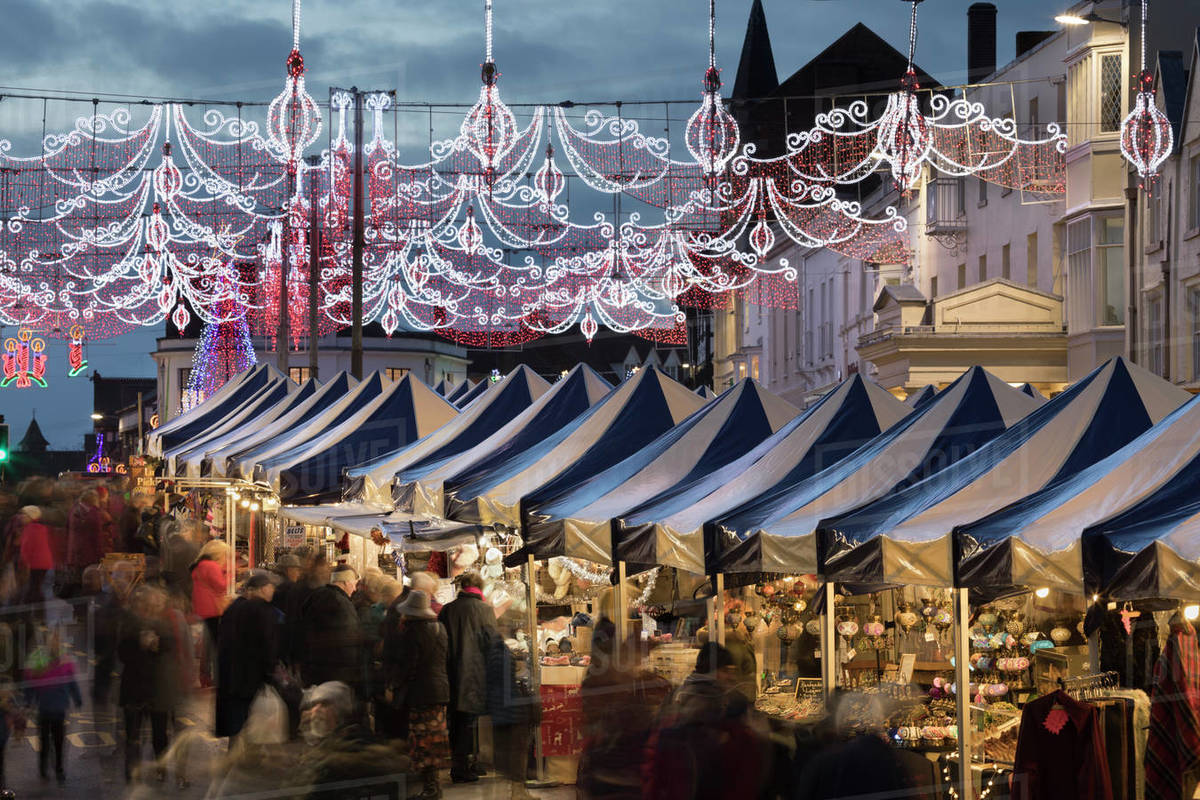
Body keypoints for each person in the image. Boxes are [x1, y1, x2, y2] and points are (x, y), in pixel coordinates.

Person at [642, 643, 767, 800]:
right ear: (713, 670)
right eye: (726, 670)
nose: (731, 676)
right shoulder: (728, 702)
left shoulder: (676, 694)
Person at [388, 590, 450, 799]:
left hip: (421, 692)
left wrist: (395, 686)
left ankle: (430, 788)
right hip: (440, 691)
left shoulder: (413, 632)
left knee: (422, 740)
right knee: (435, 739)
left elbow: (409, 665)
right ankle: (434, 786)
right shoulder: (440, 628)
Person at [437, 571, 496, 783]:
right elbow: (492, 644)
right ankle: (462, 767)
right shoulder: (486, 610)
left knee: (458, 720)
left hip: (452, 672)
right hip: (477, 672)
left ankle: (462, 763)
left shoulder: (448, 610)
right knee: (469, 720)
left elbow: (440, 641)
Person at [118, 585, 178, 783]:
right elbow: (122, 653)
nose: (151, 606)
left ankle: (160, 769)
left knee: (159, 733)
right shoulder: (128, 623)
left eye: (154, 603)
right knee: (133, 734)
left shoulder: (163, 624)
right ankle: (132, 771)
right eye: (147, 603)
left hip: (156, 687)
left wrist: (156, 645)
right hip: (134, 687)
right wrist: (139, 645)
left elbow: (170, 646)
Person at [216, 571, 281, 741]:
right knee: (253, 717)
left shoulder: (234, 608)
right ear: (259, 589)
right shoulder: (262, 610)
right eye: (269, 587)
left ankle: (236, 752)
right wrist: (270, 670)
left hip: (234, 673)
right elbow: (268, 643)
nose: (272, 590)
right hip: (253, 674)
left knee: (238, 720)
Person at [23, 630, 82, 784]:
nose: (55, 644)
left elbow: (72, 682)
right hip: (44, 708)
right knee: (44, 741)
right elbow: (31, 682)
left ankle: (58, 769)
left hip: (59, 709)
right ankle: (44, 769)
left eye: (58, 641)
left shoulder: (66, 660)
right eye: (53, 641)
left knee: (58, 741)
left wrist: (77, 698)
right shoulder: (40, 659)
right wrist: (28, 701)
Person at [485, 629, 538, 800]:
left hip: (500, 709)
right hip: (512, 709)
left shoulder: (492, 652)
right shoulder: (499, 652)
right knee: (518, 751)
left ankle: (516, 791)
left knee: (510, 752)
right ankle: (518, 792)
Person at [300, 564, 363, 694]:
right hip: (336, 673)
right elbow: (348, 641)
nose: (355, 589)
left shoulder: (315, 596)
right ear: (345, 582)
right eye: (354, 584)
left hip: (312, 668)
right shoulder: (343, 604)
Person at [190, 538, 229, 685]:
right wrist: (228, 573)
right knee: (215, 646)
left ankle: (205, 676)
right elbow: (221, 586)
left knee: (207, 645)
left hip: (201, 608)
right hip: (212, 609)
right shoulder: (211, 566)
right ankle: (216, 677)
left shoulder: (200, 565)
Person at [17, 506, 56, 605]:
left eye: (24, 515)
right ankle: (37, 612)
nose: (20, 517)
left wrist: (23, 563)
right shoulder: (42, 528)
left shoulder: (29, 529)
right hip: (44, 562)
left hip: (35, 563)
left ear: (31, 517)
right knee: (36, 586)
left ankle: (29, 613)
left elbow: (26, 548)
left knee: (33, 588)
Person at [66, 489, 108, 580]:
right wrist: (101, 554)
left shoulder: (74, 510)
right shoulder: (94, 513)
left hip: (75, 551)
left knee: (79, 578)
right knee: (89, 577)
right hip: (89, 553)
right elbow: (97, 536)